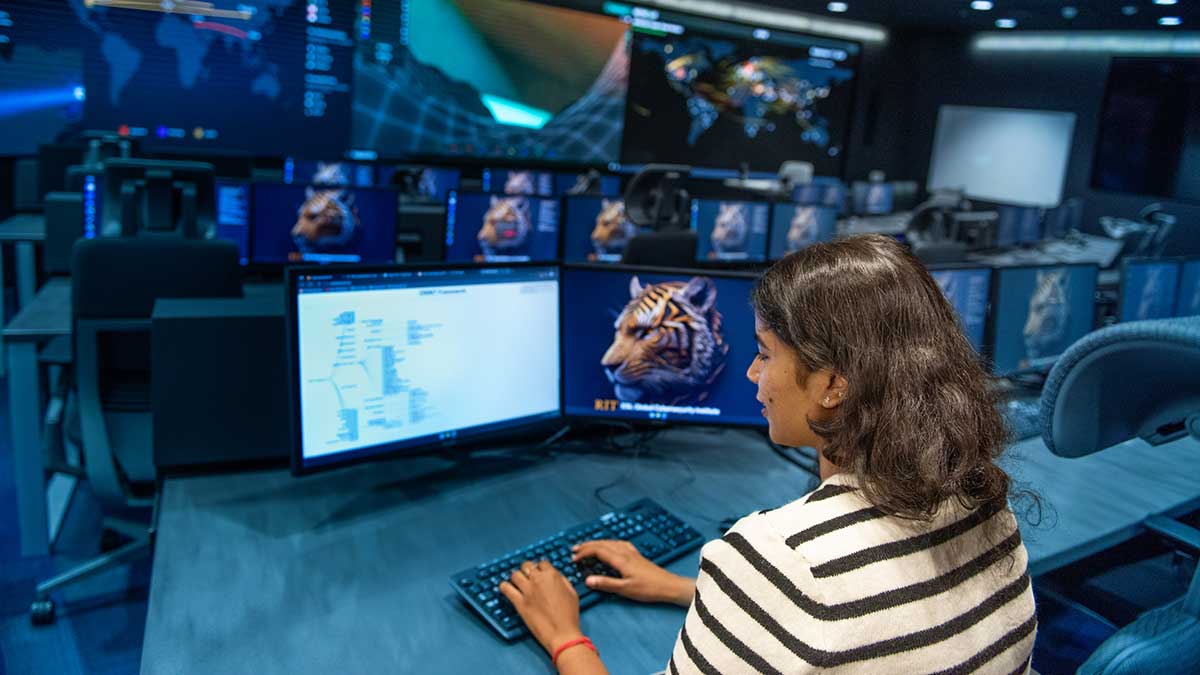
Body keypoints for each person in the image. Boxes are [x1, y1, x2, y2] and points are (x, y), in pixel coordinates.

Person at [499, 234, 1037, 674]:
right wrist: (695, 591)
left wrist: (564, 636)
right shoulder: (980, 493)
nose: (753, 375)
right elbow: (877, 629)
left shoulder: (784, 559)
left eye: (764, 354)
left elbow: (818, 602)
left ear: (832, 384)